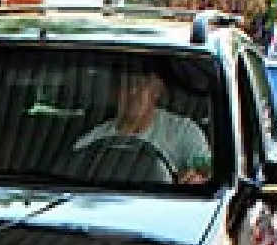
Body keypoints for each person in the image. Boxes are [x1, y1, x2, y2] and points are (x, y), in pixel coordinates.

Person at [73, 63, 211, 183]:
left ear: (156, 91)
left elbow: (207, 173)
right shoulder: (90, 143)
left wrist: (197, 179)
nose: (132, 92)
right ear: (114, 94)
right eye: (125, 85)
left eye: (140, 84)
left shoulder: (184, 131)